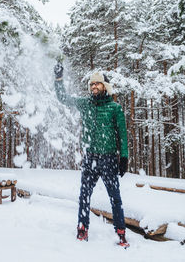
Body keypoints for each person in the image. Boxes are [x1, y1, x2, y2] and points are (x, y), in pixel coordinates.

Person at [53, 62, 129, 248]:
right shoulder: (85, 104)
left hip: (109, 158)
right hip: (90, 159)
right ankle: (82, 229)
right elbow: (63, 98)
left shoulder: (114, 108)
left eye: (97, 84)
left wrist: (124, 157)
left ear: (105, 86)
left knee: (115, 197)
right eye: (91, 84)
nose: (94, 86)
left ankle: (121, 233)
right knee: (84, 195)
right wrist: (58, 79)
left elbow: (123, 135)